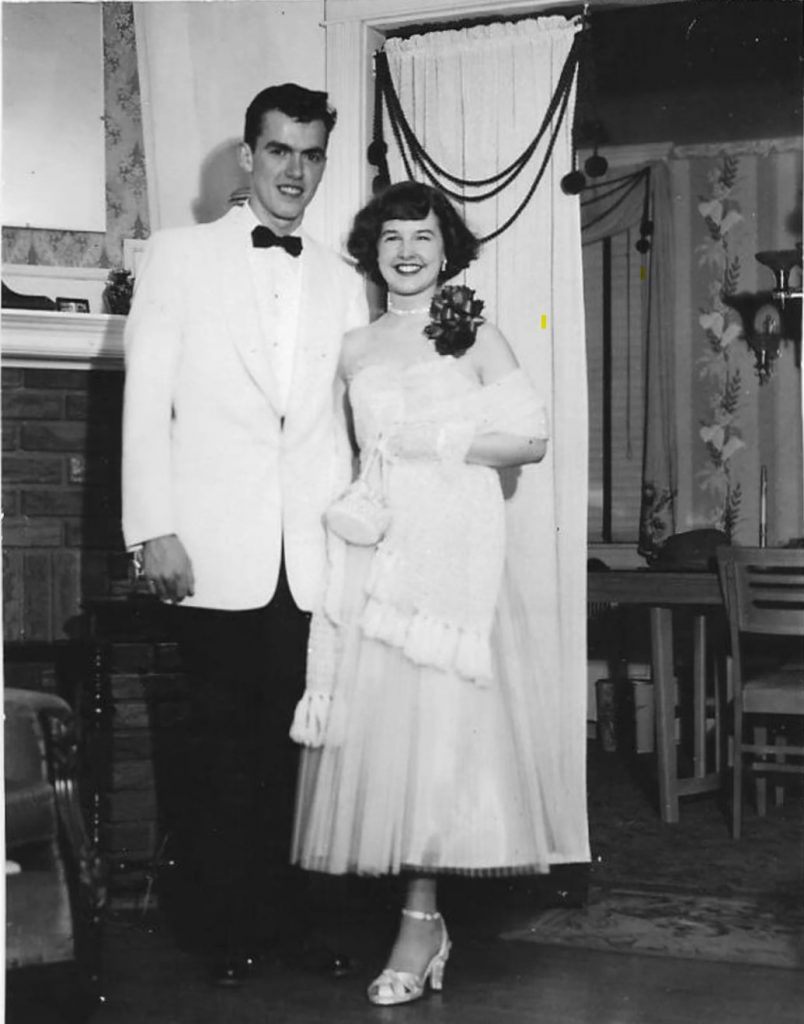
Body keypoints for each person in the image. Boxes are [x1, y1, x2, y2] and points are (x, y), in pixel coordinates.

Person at [290, 180, 590, 1006]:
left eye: (423, 236)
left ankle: (420, 923)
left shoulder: (476, 336)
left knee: (438, 750)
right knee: (387, 749)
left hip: (455, 566)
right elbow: (334, 457)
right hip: (382, 563)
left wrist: (439, 438)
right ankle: (416, 923)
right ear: (372, 250)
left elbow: (528, 440)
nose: (408, 251)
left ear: (446, 248)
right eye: (392, 237)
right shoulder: (352, 348)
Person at [121, 83, 368, 986]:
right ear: (247, 156)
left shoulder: (346, 281)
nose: (294, 171)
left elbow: (351, 420)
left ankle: (300, 921)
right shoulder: (179, 258)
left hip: (310, 560)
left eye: (310, 155)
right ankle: (226, 932)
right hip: (212, 552)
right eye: (279, 152)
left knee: (301, 752)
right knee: (223, 751)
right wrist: (153, 529)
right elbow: (147, 402)